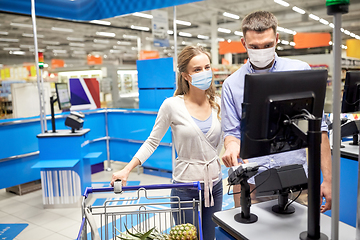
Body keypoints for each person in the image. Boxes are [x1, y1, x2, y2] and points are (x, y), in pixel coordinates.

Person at [221, 10, 332, 213]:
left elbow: (320, 129)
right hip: (253, 185)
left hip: (298, 181)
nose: (261, 51)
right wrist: (231, 147)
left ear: (277, 39)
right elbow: (231, 133)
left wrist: (329, 180)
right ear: (243, 43)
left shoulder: (300, 72)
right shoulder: (231, 85)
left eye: (267, 45)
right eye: (254, 47)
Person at [110, 45, 223, 240]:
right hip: (185, 188)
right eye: (197, 69)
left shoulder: (218, 103)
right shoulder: (172, 105)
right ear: (186, 75)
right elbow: (152, 142)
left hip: (215, 186)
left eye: (207, 67)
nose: (205, 73)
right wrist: (127, 169)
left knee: (211, 238)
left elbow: (230, 137)